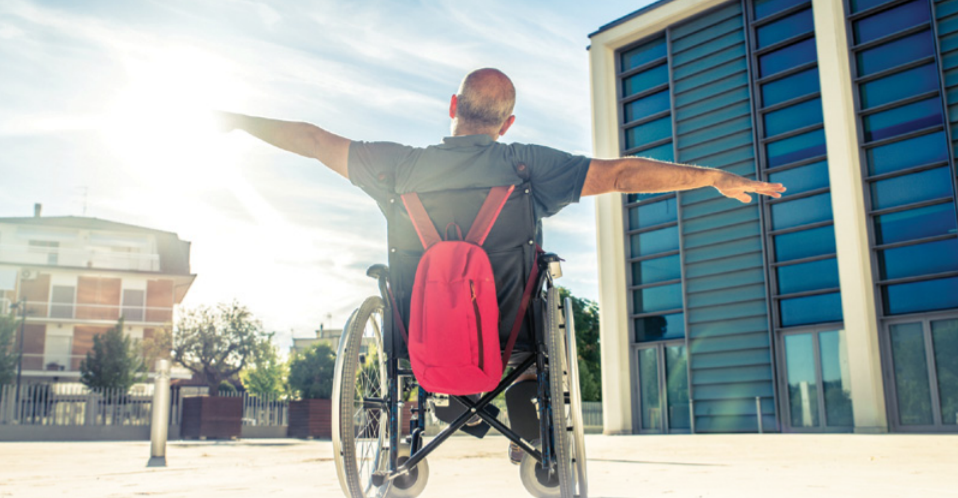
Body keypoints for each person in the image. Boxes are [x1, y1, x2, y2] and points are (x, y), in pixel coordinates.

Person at [216, 67, 785, 462]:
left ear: (452, 109)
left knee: (431, 320)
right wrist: (712, 177)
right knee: (529, 331)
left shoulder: (395, 166)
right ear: (506, 124)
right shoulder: (526, 166)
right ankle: (526, 430)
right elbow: (620, 173)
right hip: (510, 336)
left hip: (417, 336)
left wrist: (239, 120)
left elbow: (315, 139)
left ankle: (432, 412)